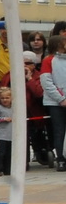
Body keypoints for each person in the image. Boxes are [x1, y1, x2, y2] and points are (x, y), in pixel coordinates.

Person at [43, 35, 66, 172]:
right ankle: (61, 159)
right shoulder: (49, 60)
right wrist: (61, 99)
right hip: (55, 103)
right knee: (59, 131)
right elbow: (47, 82)